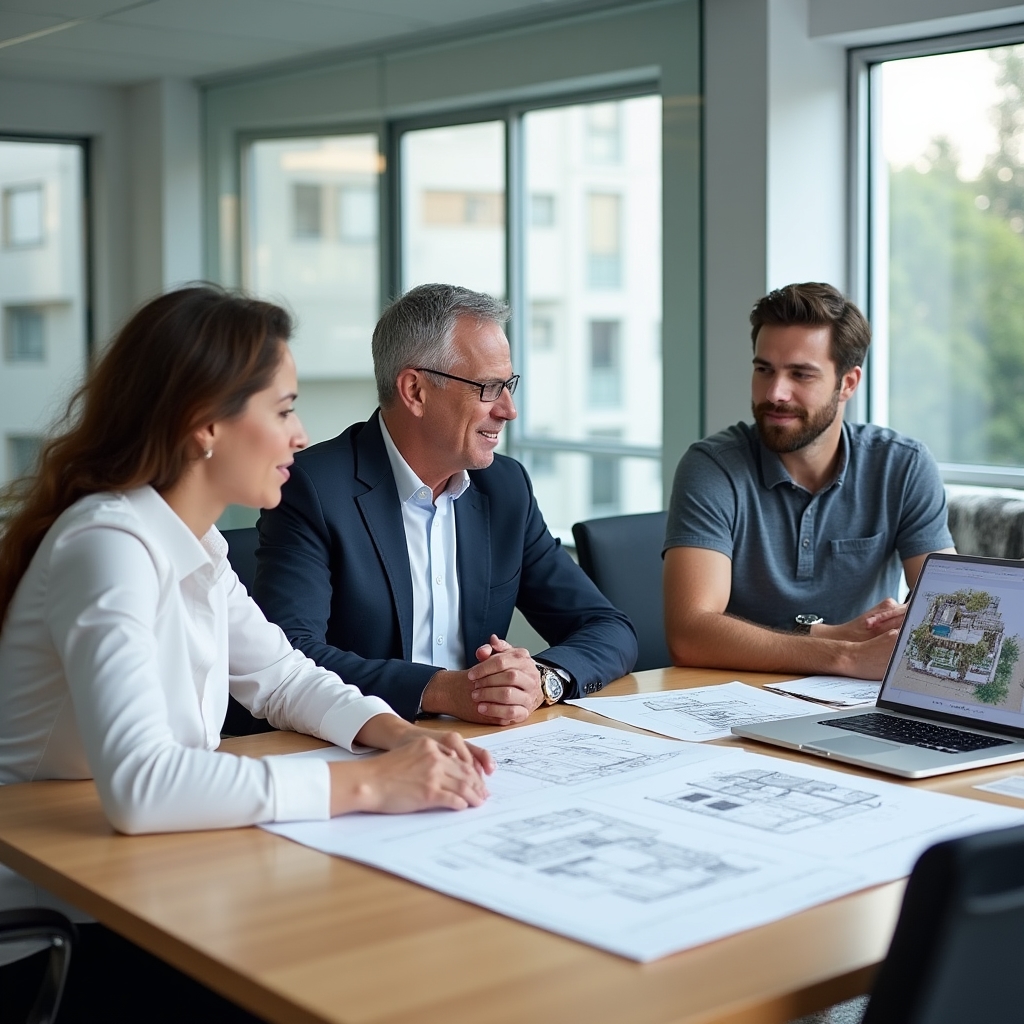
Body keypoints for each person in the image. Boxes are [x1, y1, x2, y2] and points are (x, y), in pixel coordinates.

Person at [0, 286, 493, 1021]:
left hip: (150, 885)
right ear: (205, 426)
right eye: (285, 409)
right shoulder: (106, 546)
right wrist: (368, 787)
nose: (301, 436)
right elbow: (140, 786)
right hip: (53, 934)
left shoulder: (192, 541)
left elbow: (284, 678)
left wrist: (403, 737)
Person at [254, 283, 637, 727]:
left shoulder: (504, 487)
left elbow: (609, 627)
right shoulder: (311, 487)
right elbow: (289, 656)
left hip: (483, 745)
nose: (509, 410)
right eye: (489, 387)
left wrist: (541, 678)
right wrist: (441, 689)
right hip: (359, 745)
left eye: (508, 385)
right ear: (415, 390)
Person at [663, 282, 955, 680]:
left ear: (848, 383)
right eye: (763, 369)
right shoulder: (713, 467)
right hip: (736, 696)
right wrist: (841, 649)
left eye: (801, 374)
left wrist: (905, 624)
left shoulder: (903, 466)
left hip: (855, 701)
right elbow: (690, 634)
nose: (775, 392)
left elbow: (951, 610)